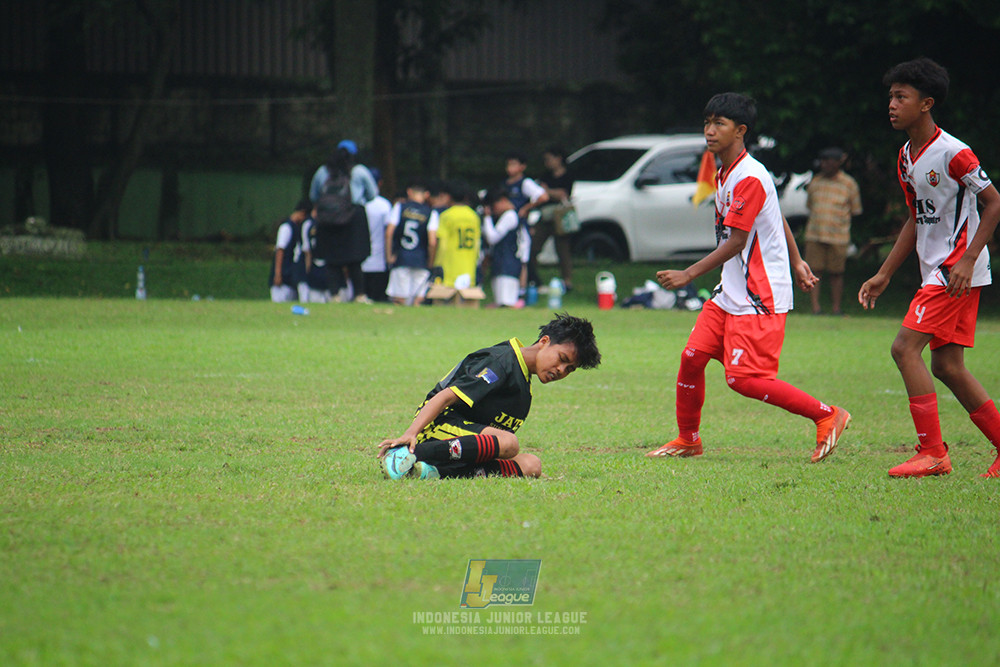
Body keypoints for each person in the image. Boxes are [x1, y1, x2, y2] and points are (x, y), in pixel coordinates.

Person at [645, 92, 851, 463]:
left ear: (740, 131)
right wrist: (798, 258)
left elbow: (738, 240)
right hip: (731, 289)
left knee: (744, 379)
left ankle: (827, 414)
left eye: (718, 124)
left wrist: (688, 274)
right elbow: (774, 215)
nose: (709, 131)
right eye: (707, 122)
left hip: (759, 294)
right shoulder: (726, 170)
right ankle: (688, 439)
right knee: (692, 357)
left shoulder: (749, 176)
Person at [859, 58, 1000, 478]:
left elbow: (994, 202)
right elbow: (914, 219)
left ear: (926, 103)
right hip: (940, 269)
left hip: (955, 270)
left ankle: (933, 453)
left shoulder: (954, 153)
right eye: (890, 96)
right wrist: (884, 273)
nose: (892, 104)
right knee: (947, 367)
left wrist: (969, 258)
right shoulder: (905, 156)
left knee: (904, 348)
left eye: (901, 97)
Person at [377, 313, 602, 480]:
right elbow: (445, 397)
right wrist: (410, 435)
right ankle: (406, 455)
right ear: (544, 342)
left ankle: (432, 472)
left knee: (532, 464)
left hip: (462, 442)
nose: (562, 370)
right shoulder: (501, 362)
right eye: (562, 358)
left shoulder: (523, 381)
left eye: (570, 369)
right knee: (509, 443)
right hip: (438, 426)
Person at [308, 142, 373, 303]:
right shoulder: (359, 171)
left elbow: (313, 195)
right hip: (353, 216)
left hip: (328, 218)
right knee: (355, 258)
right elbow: (372, 194)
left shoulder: (323, 171)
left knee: (332, 258)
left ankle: (334, 295)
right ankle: (359, 295)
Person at [803, 147, 863, 315]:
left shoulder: (848, 184)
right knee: (814, 271)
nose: (824, 164)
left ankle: (836, 308)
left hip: (838, 236)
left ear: (838, 162)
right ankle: (816, 308)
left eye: (828, 161)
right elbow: (810, 206)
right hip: (815, 233)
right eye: (822, 161)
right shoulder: (815, 181)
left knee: (837, 273)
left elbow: (855, 210)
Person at [385, 180, 439, 305]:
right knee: (418, 300)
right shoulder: (431, 213)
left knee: (400, 299)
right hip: (421, 259)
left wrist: (389, 256)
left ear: (409, 192)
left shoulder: (400, 207)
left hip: (402, 257)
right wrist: (430, 262)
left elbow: (389, 233)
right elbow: (432, 242)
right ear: (426, 195)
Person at [529, 146, 575, 292]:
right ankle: (532, 277)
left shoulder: (568, 176)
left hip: (560, 216)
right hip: (545, 216)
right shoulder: (545, 176)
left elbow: (564, 194)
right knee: (534, 246)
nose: (547, 163)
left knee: (563, 249)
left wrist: (547, 191)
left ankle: (567, 281)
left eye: (549, 159)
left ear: (558, 158)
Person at [501, 152, 549, 293]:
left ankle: (522, 290)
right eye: (508, 164)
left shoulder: (525, 183)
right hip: (505, 224)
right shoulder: (504, 184)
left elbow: (543, 196)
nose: (510, 168)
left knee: (522, 257)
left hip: (519, 225)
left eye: (514, 164)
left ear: (522, 166)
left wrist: (525, 208)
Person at [433, 180, 481, 288]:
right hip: (469, 265)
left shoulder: (446, 215)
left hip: (450, 266)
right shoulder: (474, 216)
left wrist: (437, 264)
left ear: (449, 196)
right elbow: (477, 243)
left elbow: (443, 244)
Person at [482, 187, 524, 308]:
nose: (493, 210)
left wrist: (487, 217)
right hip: (503, 262)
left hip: (507, 264)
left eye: (493, 206)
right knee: (501, 302)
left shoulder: (509, 216)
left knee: (505, 303)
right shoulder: (509, 215)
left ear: (503, 200)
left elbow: (492, 237)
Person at [269, 199, 310, 303]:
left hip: (290, 277)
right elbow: (280, 251)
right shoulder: (286, 227)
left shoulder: (295, 228)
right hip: (282, 278)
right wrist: (277, 274)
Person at [362, 168, 392, 302]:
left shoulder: (358, 203)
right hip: (379, 260)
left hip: (359, 260)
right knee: (378, 300)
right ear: (380, 183)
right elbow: (388, 233)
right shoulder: (384, 205)